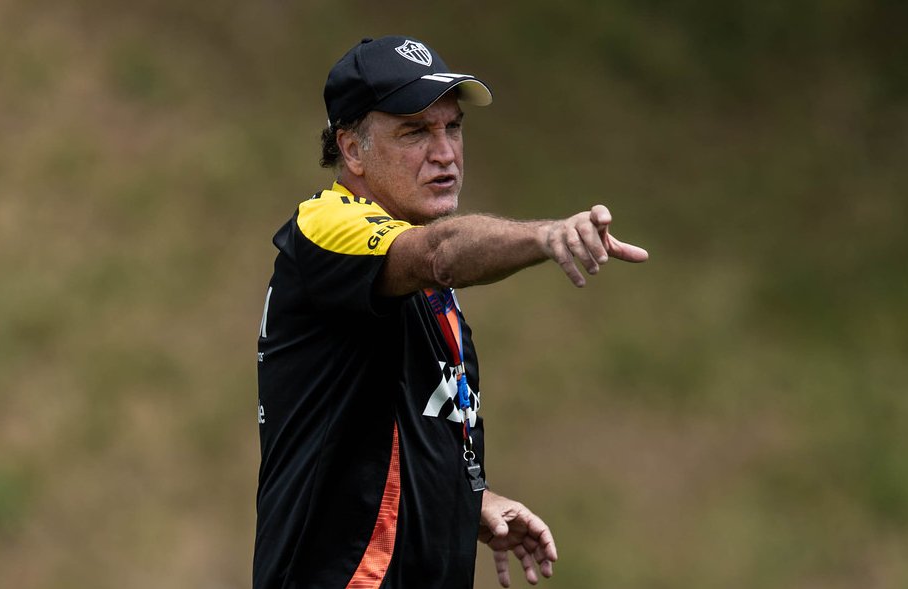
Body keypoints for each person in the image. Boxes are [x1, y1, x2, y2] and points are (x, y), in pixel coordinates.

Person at [254, 35, 648, 589]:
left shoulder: (406, 274)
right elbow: (441, 254)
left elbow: (381, 430)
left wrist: (472, 498)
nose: (445, 152)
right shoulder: (328, 227)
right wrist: (547, 235)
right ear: (352, 150)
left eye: (453, 127)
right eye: (415, 131)